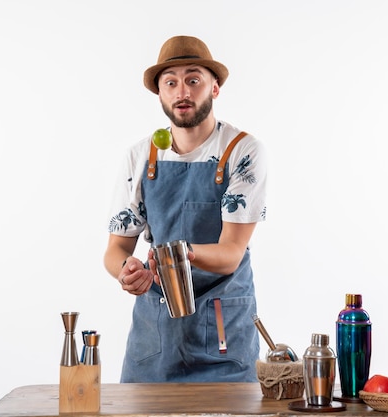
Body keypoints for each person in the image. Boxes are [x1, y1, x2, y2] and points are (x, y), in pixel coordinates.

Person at [103, 35, 267, 383]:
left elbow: (231, 254)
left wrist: (179, 254)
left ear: (214, 88)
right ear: (159, 93)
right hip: (155, 336)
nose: (183, 92)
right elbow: (116, 249)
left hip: (224, 338)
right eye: (171, 82)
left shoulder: (242, 151)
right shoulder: (140, 156)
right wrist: (126, 269)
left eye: (194, 80)